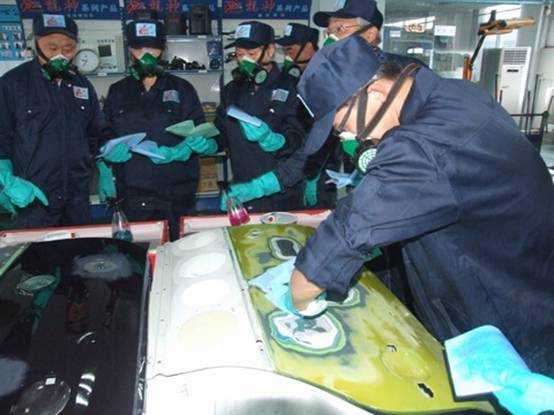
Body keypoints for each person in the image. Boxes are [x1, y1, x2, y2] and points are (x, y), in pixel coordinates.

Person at [274, 36, 554, 376]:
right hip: (525, 274)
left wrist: (298, 294)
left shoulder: (424, 147)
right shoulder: (454, 94)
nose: (350, 139)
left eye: (343, 128)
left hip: (509, 327)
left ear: (376, 94)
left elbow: (349, 233)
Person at [102, 18, 211, 240]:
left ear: (163, 49)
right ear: (130, 50)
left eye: (152, 49)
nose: (146, 56)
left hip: (177, 191)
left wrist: (188, 148)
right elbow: (104, 134)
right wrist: (106, 156)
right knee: (139, 251)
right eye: (139, 49)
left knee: (179, 250)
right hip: (133, 192)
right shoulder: (117, 91)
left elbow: (201, 131)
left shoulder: (183, 89)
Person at [0, 13, 109, 228]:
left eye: (68, 48)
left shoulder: (82, 85)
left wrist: (104, 166)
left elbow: (96, 133)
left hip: (76, 197)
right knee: (36, 249)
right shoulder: (12, 84)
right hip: (33, 198)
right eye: (52, 47)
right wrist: (6, 180)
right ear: (36, 44)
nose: (60, 54)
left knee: (79, 248)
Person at [216, 21, 305, 213]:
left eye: (252, 53)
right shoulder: (231, 90)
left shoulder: (294, 86)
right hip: (243, 189)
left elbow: (302, 139)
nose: (245, 60)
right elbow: (221, 132)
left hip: (281, 192)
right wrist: (207, 142)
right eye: (240, 54)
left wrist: (277, 141)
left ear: (270, 51)